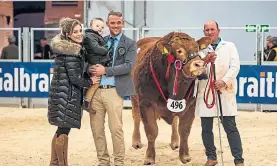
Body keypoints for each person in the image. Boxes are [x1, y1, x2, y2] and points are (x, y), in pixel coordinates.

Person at [47, 17, 99, 166]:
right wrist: (90, 81)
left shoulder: (66, 48)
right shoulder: (71, 52)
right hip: (67, 97)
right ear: (67, 34)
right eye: (75, 32)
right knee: (64, 131)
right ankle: (62, 164)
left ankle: (54, 163)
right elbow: (75, 78)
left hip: (62, 95)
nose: (79, 34)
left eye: (80, 30)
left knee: (61, 129)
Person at [88, 11, 137, 166]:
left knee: (116, 129)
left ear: (123, 23)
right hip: (95, 91)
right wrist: (90, 69)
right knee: (97, 130)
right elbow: (88, 60)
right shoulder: (99, 41)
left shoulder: (130, 43)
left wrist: (106, 71)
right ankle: (103, 162)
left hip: (114, 91)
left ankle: (119, 163)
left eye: (118, 23)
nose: (115, 25)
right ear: (108, 24)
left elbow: (129, 66)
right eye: (112, 23)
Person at [195, 21, 244, 166]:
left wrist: (224, 81)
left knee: (230, 127)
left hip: (225, 91)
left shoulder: (230, 46)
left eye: (212, 29)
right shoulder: (199, 49)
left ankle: (238, 159)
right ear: (204, 32)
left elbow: (235, 67)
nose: (210, 32)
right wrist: (205, 61)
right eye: (207, 30)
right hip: (205, 92)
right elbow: (196, 69)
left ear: (218, 30)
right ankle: (211, 157)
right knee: (206, 128)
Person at [83, 17, 110, 111]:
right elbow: (95, 48)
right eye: (97, 26)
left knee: (94, 83)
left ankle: (87, 100)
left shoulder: (94, 36)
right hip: (95, 62)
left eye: (102, 27)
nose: (100, 28)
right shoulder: (90, 36)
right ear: (91, 26)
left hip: (96, 61)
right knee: (95, 83)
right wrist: (106, 50)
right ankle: (86, 102)